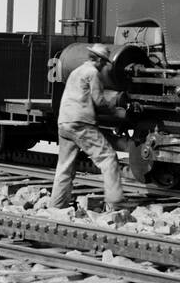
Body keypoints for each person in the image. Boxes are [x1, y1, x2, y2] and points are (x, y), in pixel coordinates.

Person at [51, 43, 125, 212]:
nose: (105, 66)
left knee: (64, 167)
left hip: (64, 122)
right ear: (98, 60)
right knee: (108, 158)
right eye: (104, 62)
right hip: (80, 123)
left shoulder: (77, 71)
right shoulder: (93, 73)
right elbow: (99, 101)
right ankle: (116, 204)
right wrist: (116, 111)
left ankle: (56, 206)